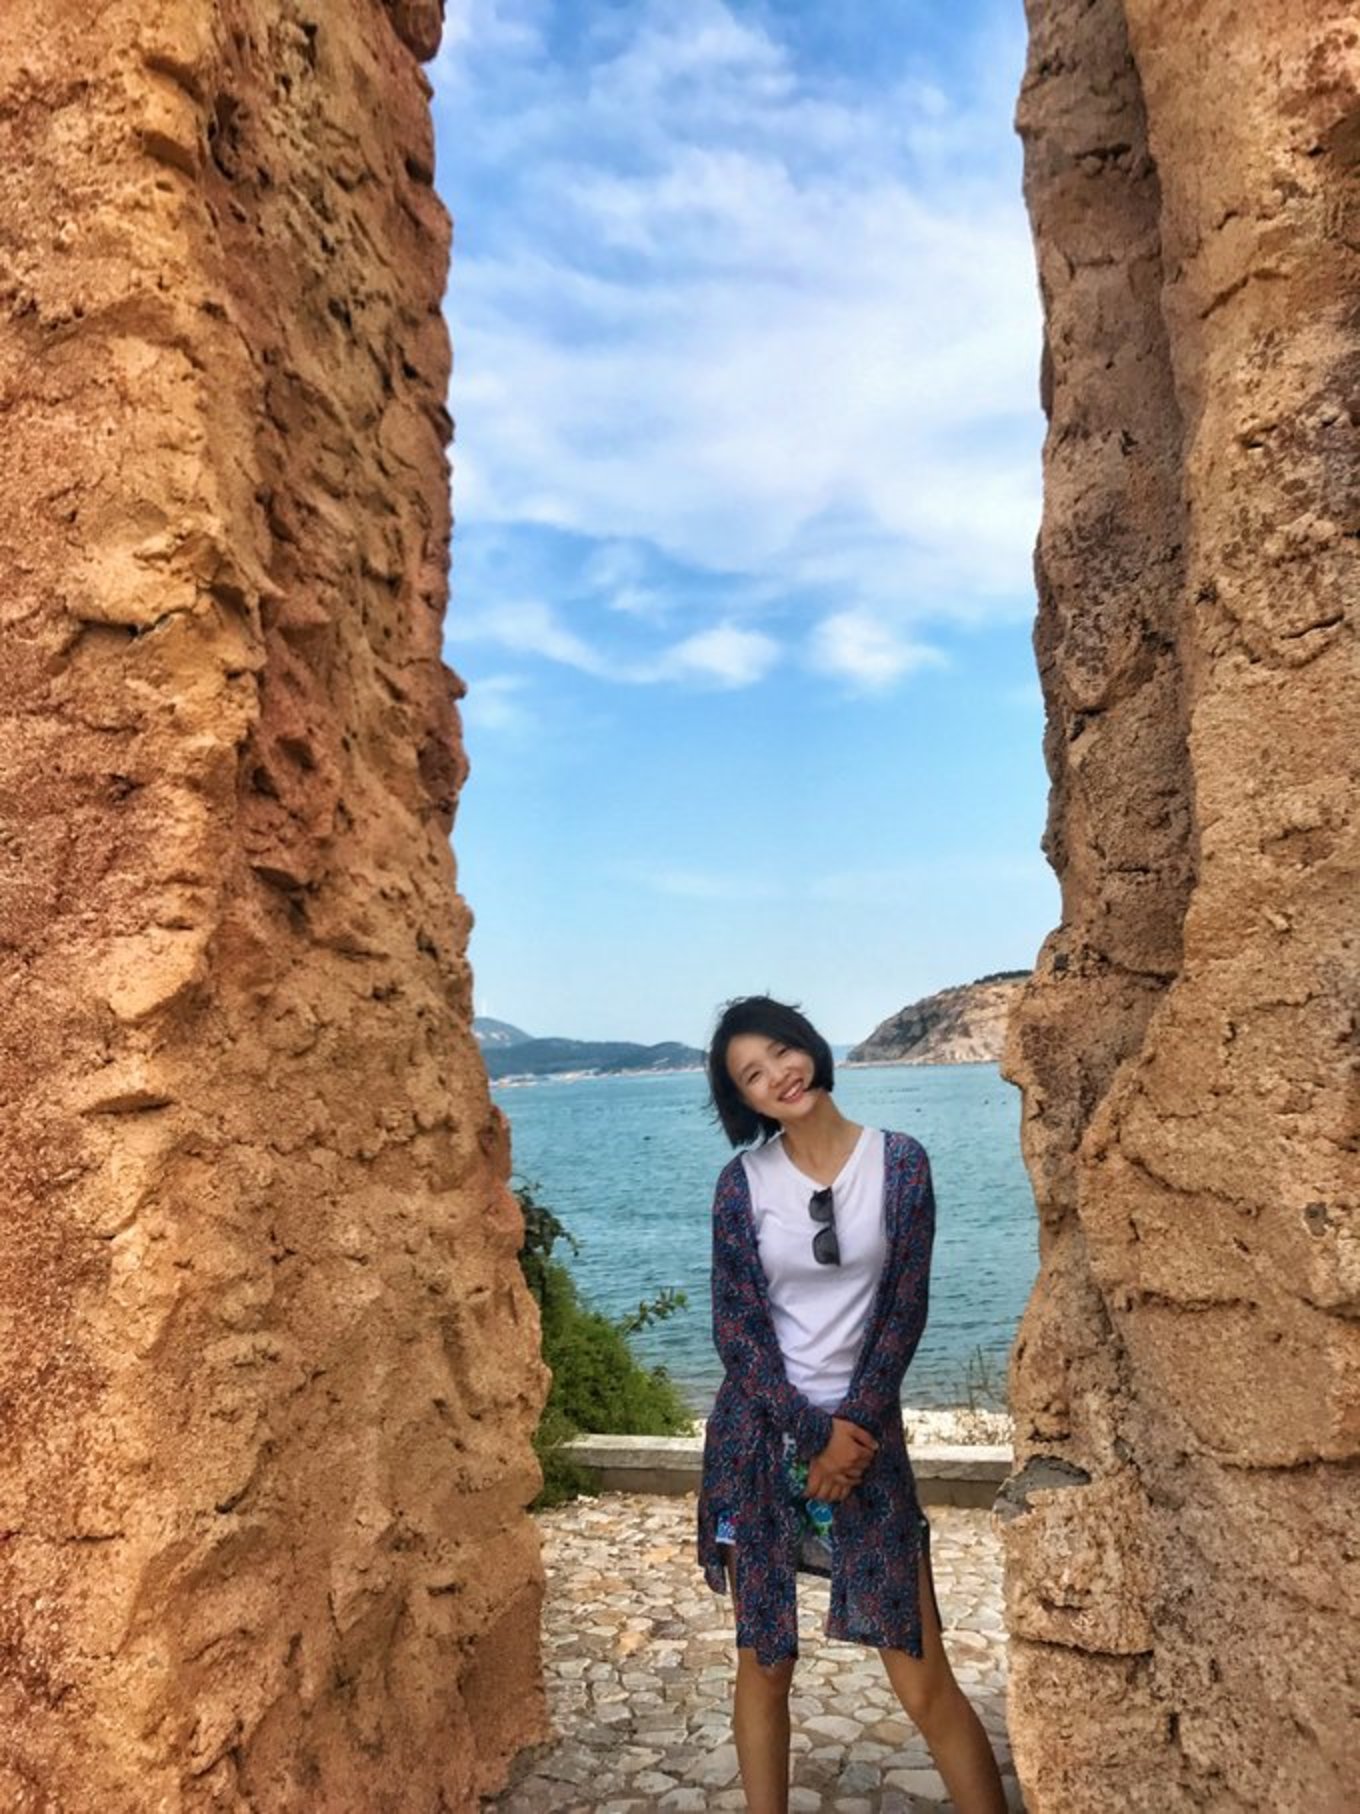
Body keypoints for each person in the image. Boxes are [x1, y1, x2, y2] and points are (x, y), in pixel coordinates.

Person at [696, 994, 1007, 1814]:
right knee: (765, 1664)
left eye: (781, 1052)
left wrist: (852, 1433)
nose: (777, 1076)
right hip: (759, 1443)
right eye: (752, 1075)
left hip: (866, 1446)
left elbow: (905, 1309)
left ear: (809, 1047)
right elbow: (737, 1332)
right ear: (744, 1100)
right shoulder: (742, 1184)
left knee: (922, 1671)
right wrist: (812, 1436)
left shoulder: (900, 1162)